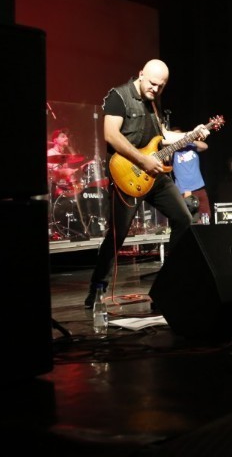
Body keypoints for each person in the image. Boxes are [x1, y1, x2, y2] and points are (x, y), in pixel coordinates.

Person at [84, 59, 211, 309]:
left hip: (154, 175)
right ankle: (97, 288)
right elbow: (111, 135)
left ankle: (167, 284)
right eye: (152, 84)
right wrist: (143, 160)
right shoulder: (119, 96)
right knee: (117, 235)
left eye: (161, 86)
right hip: (128, 173)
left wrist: (192, 134)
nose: (156, 89)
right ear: (141, 74)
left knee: (184, 218)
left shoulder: (154, 102)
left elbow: (163, 137)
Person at [171, 128, 212, 224]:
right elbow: (165, 158)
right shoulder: (173, 152)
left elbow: (205, 146)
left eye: (180, 136)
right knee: (190, 219)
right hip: (185, 190)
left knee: (206, 217)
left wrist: (190, 139)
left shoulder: (191, 146)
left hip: (199, 188)